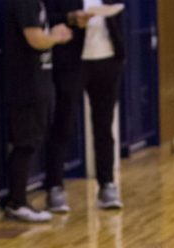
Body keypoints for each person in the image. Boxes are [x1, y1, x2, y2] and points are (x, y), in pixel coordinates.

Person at [44, 0, 126, 213]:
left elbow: (118, 12)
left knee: (104, 125)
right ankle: (54, 187)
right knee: (64, 123)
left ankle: (107, 184)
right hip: (73, 61)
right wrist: (71, 18)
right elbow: (47, 16)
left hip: (107, 60)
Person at [2, 0, 73, 222]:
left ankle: (19, 200)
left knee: (32, 140)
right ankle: (17, 201)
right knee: (25, 142)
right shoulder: (25, 3)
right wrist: (56, 36)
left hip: (38, 82)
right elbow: (35, 39)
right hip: (26, 86)